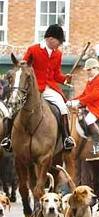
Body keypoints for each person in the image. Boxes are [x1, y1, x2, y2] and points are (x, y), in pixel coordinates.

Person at [1, 24, 75, 152]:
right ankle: (8, 138)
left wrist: (65, 79)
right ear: (50, 39)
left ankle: (66, 138)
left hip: (49, 88)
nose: (59, 45)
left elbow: (56, 74)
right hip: (31, 89)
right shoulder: (33, 49)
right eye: (59, 41)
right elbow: (23, 69)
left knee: (63, 108)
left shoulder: (58, 54)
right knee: (14, 108)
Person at [67, 58, 99, 158]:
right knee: (80, 118)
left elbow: (94, 96)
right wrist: (71, 101)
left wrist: (79, 102)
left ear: (96, 68)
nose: (88, 72)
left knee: (88, 120)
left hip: (98, 108)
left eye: (90, 70)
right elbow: (84, 94)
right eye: (87, 70)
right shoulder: (90, 81)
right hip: (90, 107)